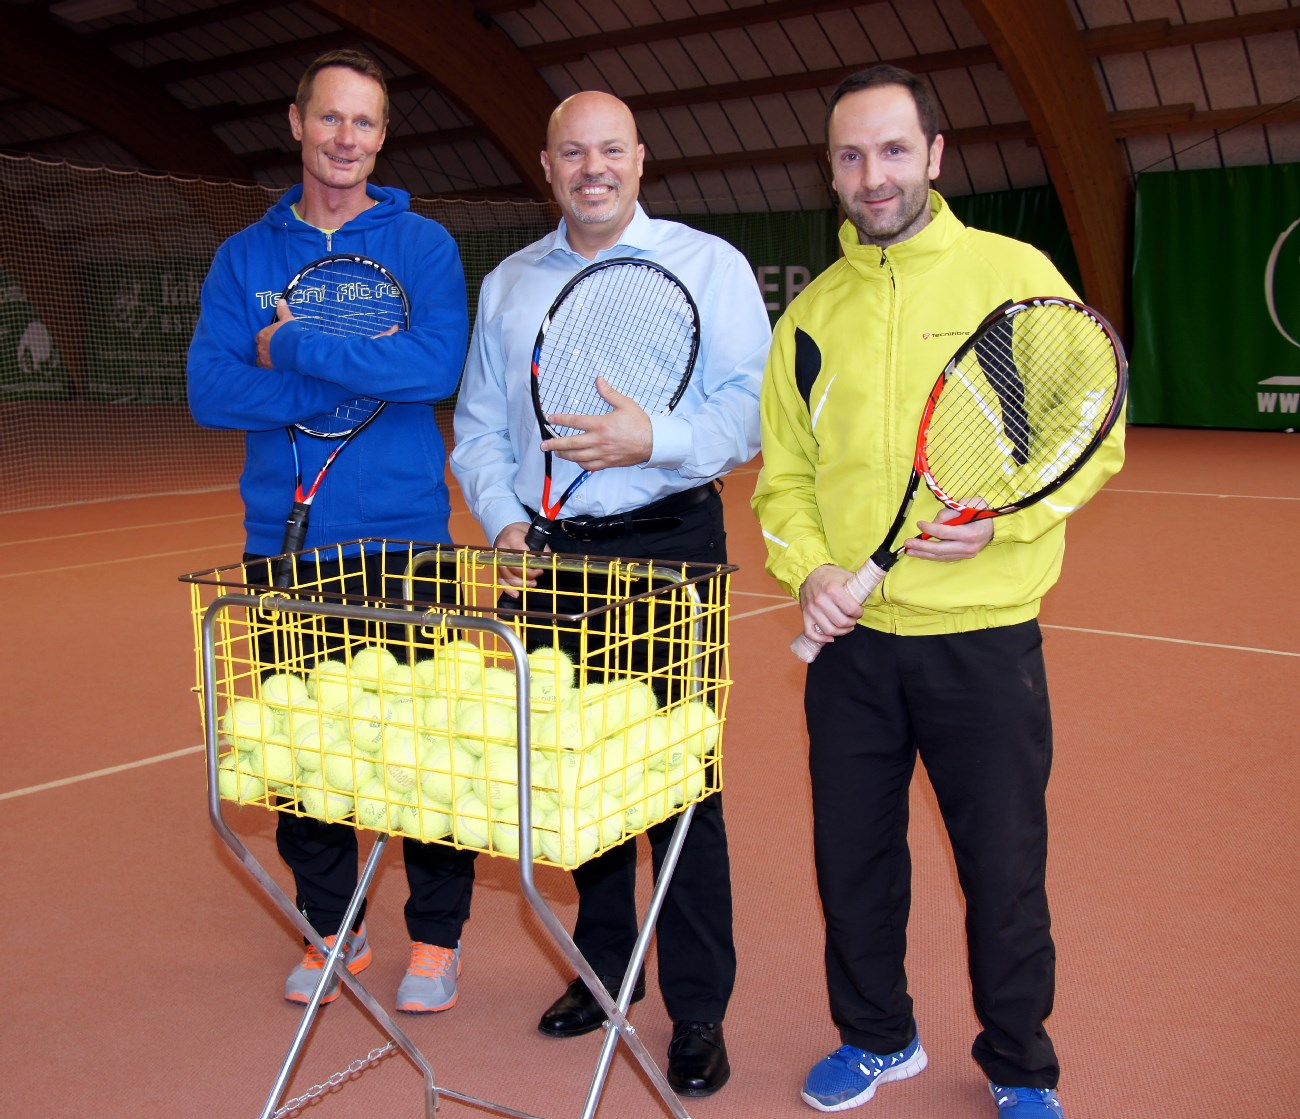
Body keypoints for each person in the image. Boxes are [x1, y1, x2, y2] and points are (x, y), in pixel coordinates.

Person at [750, 65, 1125, 1118]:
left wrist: (1004, 515)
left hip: (983, 637)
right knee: (852, 862)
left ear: (936, 154)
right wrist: (811, 569)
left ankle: (1019, 1065)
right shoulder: (811, 317)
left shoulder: (1013, 275)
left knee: (1001, 869)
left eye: (892, 150)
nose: (873, 176)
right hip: (854, 651)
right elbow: (782, 478)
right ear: (832, 171)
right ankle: (876, 1038)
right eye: (851, 156)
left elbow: (1089, 421)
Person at [450, 90, 770, 1097]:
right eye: (571, 153)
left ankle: (699, 1010)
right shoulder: (508, 284)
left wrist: (656, 440)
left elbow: (751, 407)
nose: (592, 168)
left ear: (640, 159)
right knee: (575, 776)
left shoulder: (707, 265)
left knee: (679, 786)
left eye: (610, 150)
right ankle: (604, 971)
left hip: (672, 542)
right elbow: (476, 428)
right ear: (546, 168)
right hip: (546, 557)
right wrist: (504, 519)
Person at [187, 49, 476, 1015]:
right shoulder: (245, 255)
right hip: (286, 541)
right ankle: (334, 927)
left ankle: (435, 941)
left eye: (364, 123)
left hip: (403, 542)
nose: (345, 138)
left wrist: (295, 345)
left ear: (382, 137)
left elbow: (433, 367)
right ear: (297, 122)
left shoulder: (423, 246)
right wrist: (359, 369)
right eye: (329, 119)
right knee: (306, 754)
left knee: (427, 752)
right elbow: (212, 388)